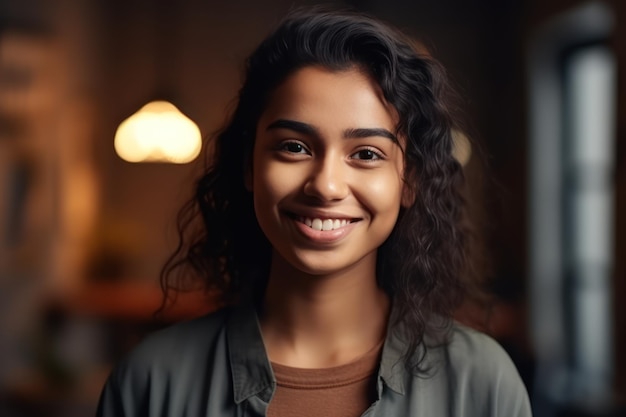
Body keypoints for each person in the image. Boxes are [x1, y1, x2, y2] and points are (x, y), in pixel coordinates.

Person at [96, 7, 532, 417]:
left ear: (410, 182)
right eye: (294, 147)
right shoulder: (149, 383)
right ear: (249, 164)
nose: (325, 185)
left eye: (365, 153)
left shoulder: (481, 384)